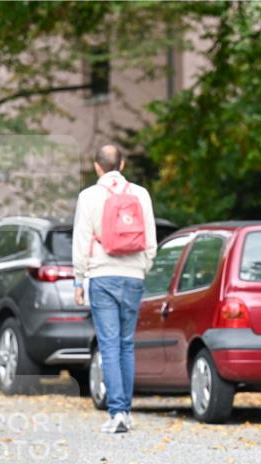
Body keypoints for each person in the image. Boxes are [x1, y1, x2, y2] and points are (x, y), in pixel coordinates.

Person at [72, 144, 156, 434]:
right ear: (121, 165)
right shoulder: (141, 194)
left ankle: (116, 413)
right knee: (126, 343)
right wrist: (141, 269)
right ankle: (127, 412)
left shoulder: (88, 196)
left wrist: (79, 279)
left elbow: (81, 241)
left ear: (97, 167)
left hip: (102, 276)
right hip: (133, 277)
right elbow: (151, 242)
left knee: (109, 344)